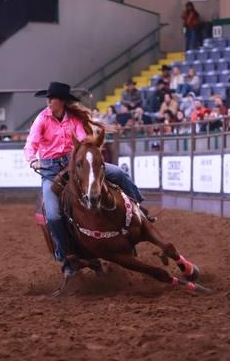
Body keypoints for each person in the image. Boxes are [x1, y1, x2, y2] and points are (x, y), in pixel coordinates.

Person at [23, 82, 144, 277]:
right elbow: (31, 143)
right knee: (53, 214)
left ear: (60, 101)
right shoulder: (42, 119)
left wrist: (88, 149)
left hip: (76, 165)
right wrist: (33, 160)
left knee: (119, 174)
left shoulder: (74, 120)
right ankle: (67, 256)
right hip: (51, 169)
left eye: (50, 98)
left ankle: (140, 208)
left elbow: (82, 139)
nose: (48, 102)